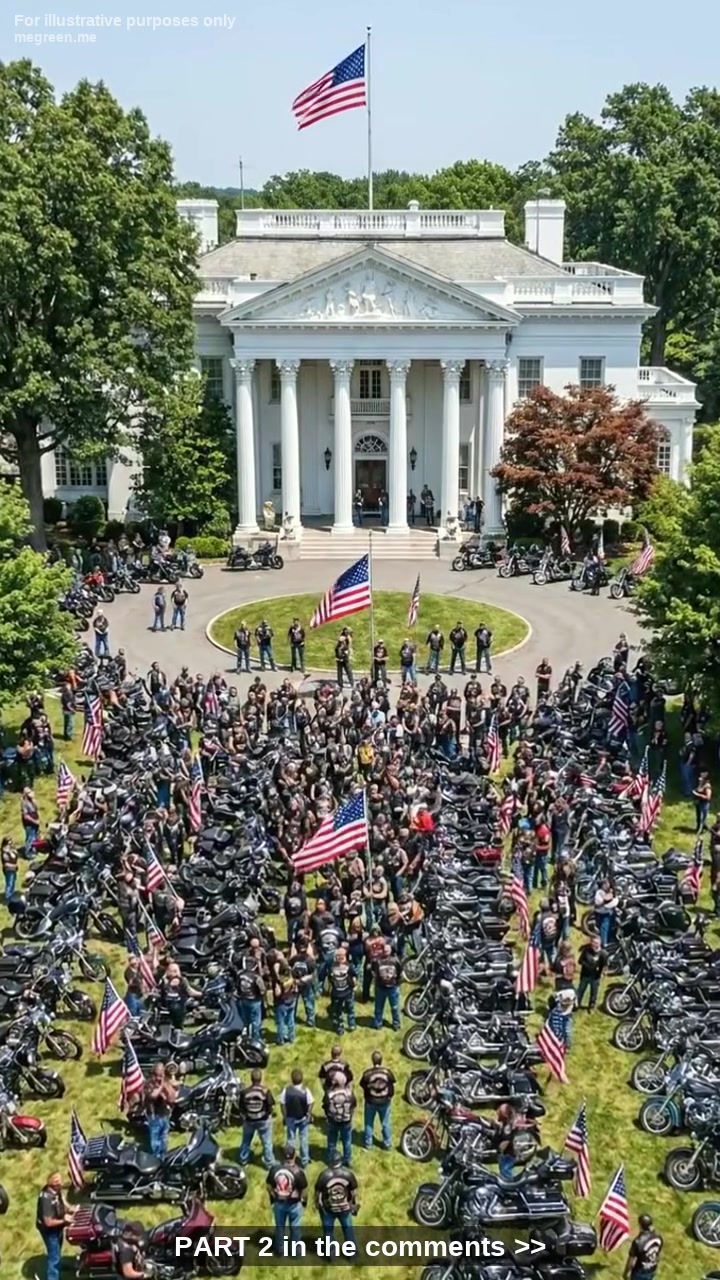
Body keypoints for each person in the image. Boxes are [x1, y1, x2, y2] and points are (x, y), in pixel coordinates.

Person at [266, 1143, 308, 1255]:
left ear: (282, 1156)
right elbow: (304, 1191)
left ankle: (279, 1250)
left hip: (279, 1203)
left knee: (280, 1227)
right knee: (295, 1228)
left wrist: (274, 1196)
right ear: (294, 1156)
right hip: (294, 1204)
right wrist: (303, 1201)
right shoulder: (298, 1172)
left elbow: (269, 1186)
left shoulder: (275, 1169)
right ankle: (295, 1252)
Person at [36, 1171, 74, 1280]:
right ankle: (53, 1276)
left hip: (57, 1228)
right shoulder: (46, 1199)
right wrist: (65, 1221)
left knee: (58, 1249)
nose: (61, 1183)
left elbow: (62, 1201)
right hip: (49, 1231)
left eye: (60, 1180)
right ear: (51, 1183)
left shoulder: (56, 1191)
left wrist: (71, 1209)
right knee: (54, 1256)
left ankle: (59, 1265)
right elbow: (48, 1222)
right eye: (57, 1181)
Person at [315, 1154, 359, 1245]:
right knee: (348, 1229)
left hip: (328, 1208)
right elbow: (353, 1192)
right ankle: (352, 1254)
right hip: (345, 1207)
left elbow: (318, 1193)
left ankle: (331, 1254)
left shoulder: (324, 1175)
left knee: (328, 1232)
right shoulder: (348, 1174)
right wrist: (353, 1204)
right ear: (341, 1161)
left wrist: (318, 1205)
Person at [239, 1068, 275, 1167]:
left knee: (246, 1141)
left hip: (249, 1120)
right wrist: (269, 1114)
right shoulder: (265, 1091)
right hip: (263, 1120)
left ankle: (243, 1160)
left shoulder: (244, 1092)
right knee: (267, 1142)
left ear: (251, 1079)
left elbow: (241, 1107)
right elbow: (271, 1105)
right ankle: (269, 1163)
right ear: (260, 1079)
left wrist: (245, 1116)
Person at [360, 1050, 395, 1150]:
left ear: (372, 1061)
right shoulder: (387, 1072)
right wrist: (389, 1097)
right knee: (385, 1123)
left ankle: (368, 1143)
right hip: (384, 1102)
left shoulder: (367, 1074)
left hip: (371, 1102)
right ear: (381, 1060)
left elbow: (364, 1086)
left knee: (368, 1123)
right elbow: (392, 1086)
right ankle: (387, 1143)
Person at [279, 1068, 313, 1167]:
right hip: (303, 1118)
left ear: (291, 1079)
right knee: (304, 1139)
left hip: (290, 1118)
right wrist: (309, 1113)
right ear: (302, 1079)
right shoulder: (305, 1091)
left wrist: (284, 1116)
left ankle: (289, 1157)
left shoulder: (287, 1091)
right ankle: (305, 1160)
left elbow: (282, 1104)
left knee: (291, 1139)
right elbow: (311, 1102)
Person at [144, 1062, 178, 1156]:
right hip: (154, 1117)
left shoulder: (165, 1083)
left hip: (164, 1116)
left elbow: (172, 1098)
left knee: (164, 1139)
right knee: (155, 1141)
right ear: (152, 1074)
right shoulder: (148, 1084)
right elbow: (153, 1096)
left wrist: (166, 1087)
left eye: (161, 1075)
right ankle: (155, 1158)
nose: (158, 1078)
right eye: (156, 1075)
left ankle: (163, 1156)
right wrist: (161, 1087)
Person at [323, 1071, 356, 1165]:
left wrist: (328, 1116)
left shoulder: (329, 1094)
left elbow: (325, 1106)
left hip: (333, 1121)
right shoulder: (349, 1093)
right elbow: (353, 1105)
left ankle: (330, 1159)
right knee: (347, 1141)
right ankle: (348, 1160)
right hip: (346, 1121)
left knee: (332, 1141)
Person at [372, 941, 402, 1031]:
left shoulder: (396, 960)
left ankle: (396, 1024)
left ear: (391, 950)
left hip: (393, 988)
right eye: (384, 950)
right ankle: (378, 1023)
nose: (386, 952)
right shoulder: (378, 961)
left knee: (395, 1007)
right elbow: (374, 972)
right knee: (378, 1007)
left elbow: (401, 972)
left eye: (387, 950)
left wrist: (397, 983)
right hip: (380, 988)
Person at [624, 1213, 663, 1280]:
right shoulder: (658, 1237)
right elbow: (658, 1255)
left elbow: (630, 1262)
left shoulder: (638, 1242)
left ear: (640, 1225)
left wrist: (625, 1273)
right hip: (651, 1270)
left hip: (640, 1272)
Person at [328, 946, 356, 1034]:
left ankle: (351, 1024)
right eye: (338, 956)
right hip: (336, 993)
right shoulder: (332, 966)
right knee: (338, 1011)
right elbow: (329, 977)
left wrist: (354, 986)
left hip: (348, 992)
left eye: (342, 955)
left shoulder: (349, 966)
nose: (340, 957)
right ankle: (339, 1026)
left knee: (350, 1009)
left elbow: (354, 976)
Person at [576, 935, 608, 1012]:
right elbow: (580, 961)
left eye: (596, 943)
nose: (594, 944)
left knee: (594, 992)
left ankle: (591, 1006)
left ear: (600, 943)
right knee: (581, 990)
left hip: (595, 977)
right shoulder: (586, 950)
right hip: (585, 975)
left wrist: (604, 972)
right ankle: (577, 1004)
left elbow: (605, 965)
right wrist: (587, 965)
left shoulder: (603, 954)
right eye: (593, 942)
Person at [2, 836, 18, 903]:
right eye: (9, 843)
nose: (10, 844)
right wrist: (14, 865)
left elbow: (15, 856)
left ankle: (11, 895)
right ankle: (8, 898)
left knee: (13, 882)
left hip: (13, 869)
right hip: (9, 870)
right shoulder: (5, 852)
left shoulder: (11, 850)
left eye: (11, 843)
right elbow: (6, 863)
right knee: (9, 884)